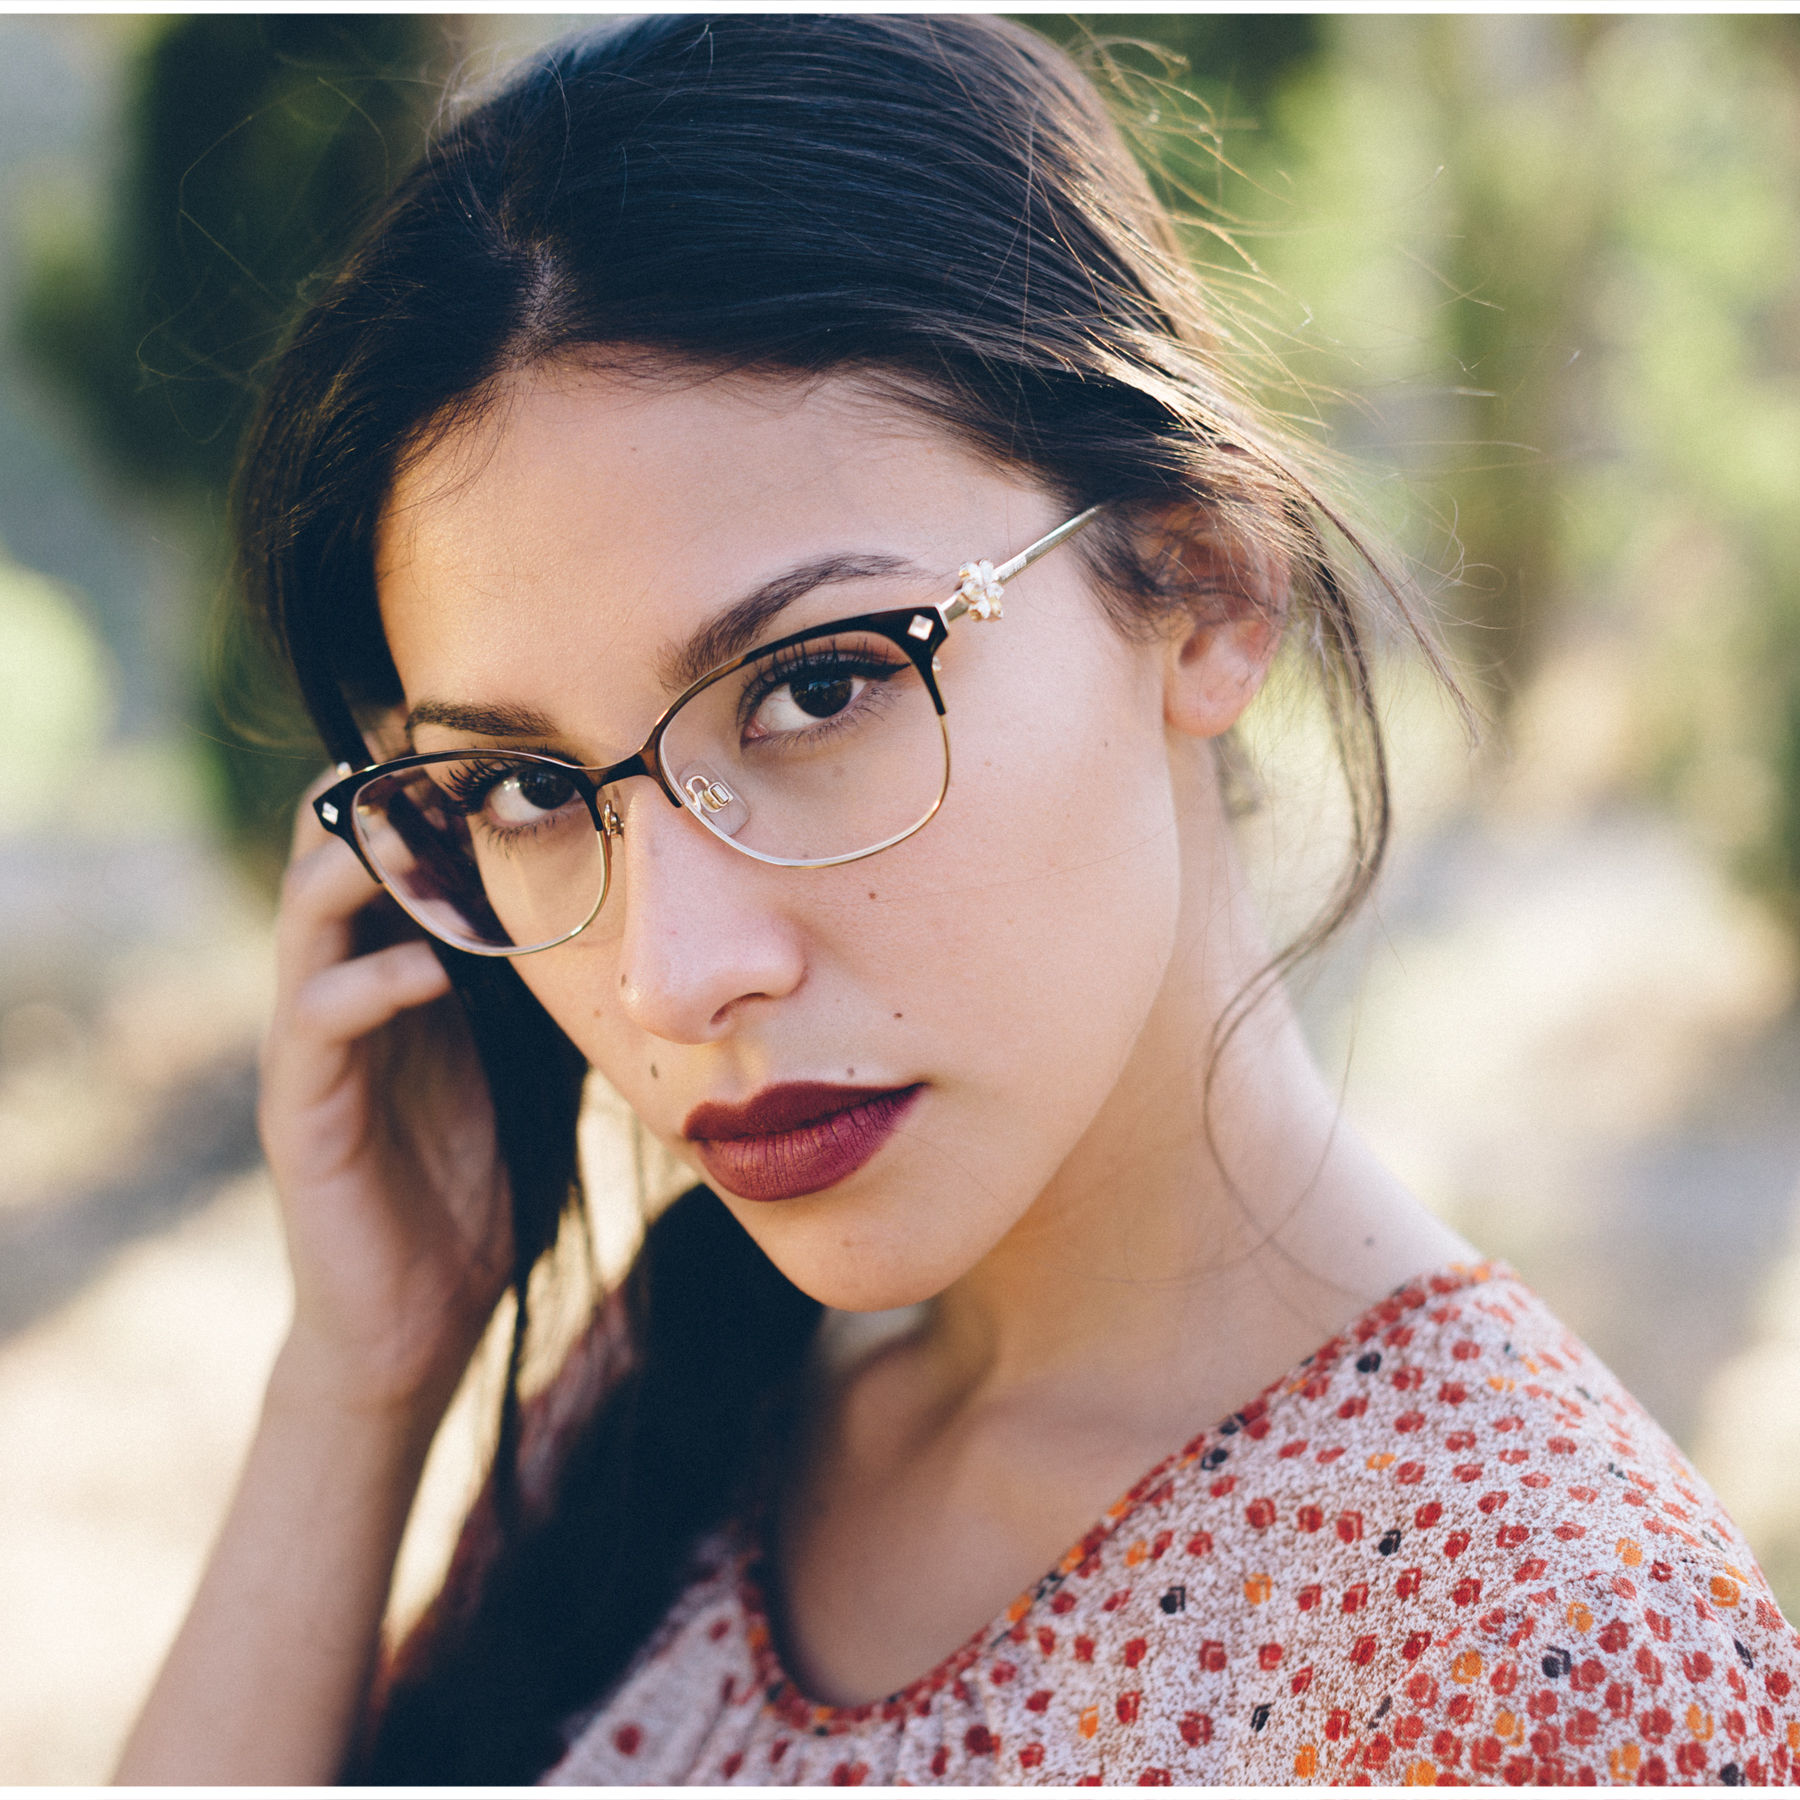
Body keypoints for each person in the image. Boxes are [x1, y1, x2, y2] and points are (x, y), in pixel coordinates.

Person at [115, 14, 1800, 1788]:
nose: (678, 974)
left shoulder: (1561, 1667)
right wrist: (358, 1384)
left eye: (818, 685)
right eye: (529, 791)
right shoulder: (692, 1391)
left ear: (1207, 579)